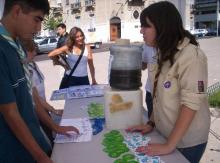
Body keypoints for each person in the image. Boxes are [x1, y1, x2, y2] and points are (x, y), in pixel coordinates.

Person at [126, 1, 211, 163]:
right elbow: (158, 95)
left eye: (146, 26)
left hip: (187, 142)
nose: (141, 31)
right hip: (167, 135)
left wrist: (168, 146)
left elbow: (190, 104)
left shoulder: (191, 56)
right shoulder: (162, 53)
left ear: (163, 27)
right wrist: (151, 122)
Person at [0, 0, 52, 162]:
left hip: (35, 144)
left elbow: (30, 93)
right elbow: (10, 112)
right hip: (15, 153)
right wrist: (42, 157)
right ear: (16, 11)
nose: (39, 29)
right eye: (36, 20)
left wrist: (55, 126)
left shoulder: (16, 45)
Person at [21, 39, 79, 145]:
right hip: (37, 111)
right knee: (46, 140)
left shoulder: (32, 64)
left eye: (35, 50)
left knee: (50, 136)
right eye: (32, 51)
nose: (35, 53)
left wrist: (51, 110)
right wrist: (54, 111)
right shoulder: (24, 70)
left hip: (43, 108)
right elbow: (36, 98)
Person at [142, 44, 156, 118]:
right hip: (150, 92)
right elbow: (143, 65)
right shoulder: (147, 46)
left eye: (145, 30)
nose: (141, 31)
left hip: (168, 95)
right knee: (152, 125)